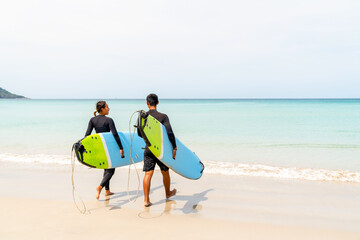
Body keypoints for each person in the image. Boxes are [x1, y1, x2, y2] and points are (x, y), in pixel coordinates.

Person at [138, 93, 177, 207]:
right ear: (158, 102)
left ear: (147, 103)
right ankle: (168, 193)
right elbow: (169, 132)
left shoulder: (142, 116)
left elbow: (139, 133)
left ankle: (146, 200)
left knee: (148, 174)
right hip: (161, 150)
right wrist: (174, 147)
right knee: (165, 172)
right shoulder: (163, 116)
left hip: (148, 148)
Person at [85, 101, 125, 199]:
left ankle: (107, 190)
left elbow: (87, 136)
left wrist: (87, 149)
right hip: (109, 147)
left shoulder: (92, 120)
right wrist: (121, 148)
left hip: (99, 148)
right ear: (102, 109)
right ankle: (100, 187)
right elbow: (115, 134)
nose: (109, 108)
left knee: (106, 168)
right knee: (111, 170)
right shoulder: (109, 120)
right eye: (107, 107)